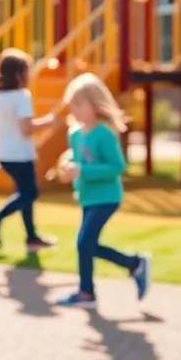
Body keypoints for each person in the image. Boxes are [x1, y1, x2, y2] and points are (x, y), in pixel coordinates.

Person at [53, 73, 150, 309]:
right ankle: (133, 264)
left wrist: (82, 170)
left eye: (79, 104)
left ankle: (87, 292)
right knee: (88, 245)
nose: (74, 110)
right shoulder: (75, 133)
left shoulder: (104, 134)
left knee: (83, 242)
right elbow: (75, 157)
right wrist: (66, 165)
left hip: (107, 198)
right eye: (72, 104)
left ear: (95, 105)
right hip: (87, 197)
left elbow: (117, 166)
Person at [0, 49, 59, 253]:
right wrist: (48, 122)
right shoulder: (22, 96)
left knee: (23, 193)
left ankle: (31, 238)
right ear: (18, 74)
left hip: (3, 153)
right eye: (27, 70)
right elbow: (26, 129)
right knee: (30, 192)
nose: (30, 74)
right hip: (20, 154)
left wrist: (6, 125)